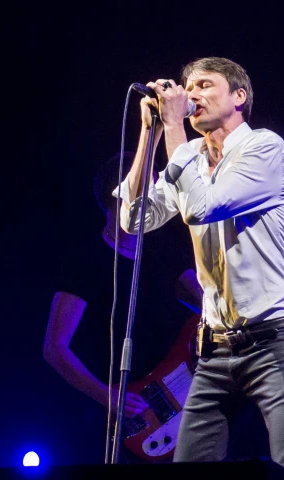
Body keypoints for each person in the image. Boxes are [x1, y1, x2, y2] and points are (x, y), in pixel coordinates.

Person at [114, 57, 284, 478]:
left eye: (205, 85)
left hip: (275, 340)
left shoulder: (265, 148)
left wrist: (172, 129)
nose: (190, 94)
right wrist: (150, 133)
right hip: (213, 352)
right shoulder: (187, 153)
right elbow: (133, 220)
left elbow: (202, 207)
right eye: (186, 86)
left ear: (239, 97)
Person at [43, 152, 201, 464]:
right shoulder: (87, 261)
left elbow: (209, 305)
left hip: (183, 399)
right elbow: (54, 348)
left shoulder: (162, 247)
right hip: (127, 417)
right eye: (151, 187)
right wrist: (106, 395)